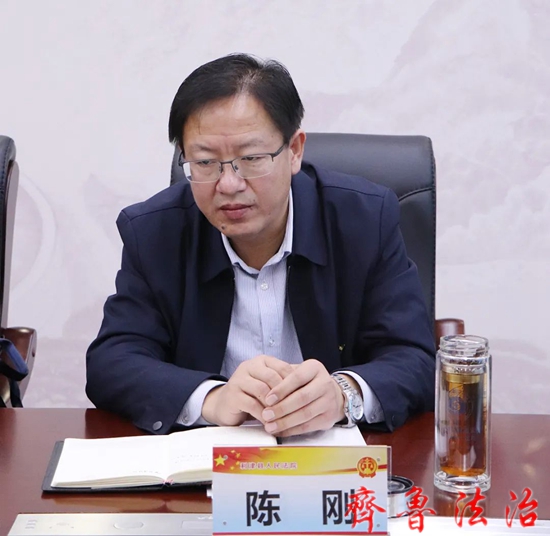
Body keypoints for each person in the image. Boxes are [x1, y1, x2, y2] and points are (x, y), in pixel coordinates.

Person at [86, 53, 435, 436]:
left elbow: (414, 358)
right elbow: (112, 363)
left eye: (251, 158)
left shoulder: (364, 220)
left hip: (334, 459)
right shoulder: (155, 232)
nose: (229, 184)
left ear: (295, 150)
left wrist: (342, 395)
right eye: (205, 162)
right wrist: (213, 399)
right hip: (206, 462)